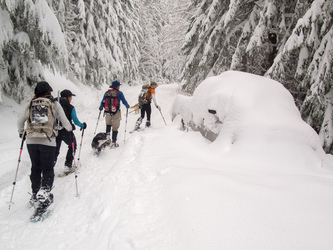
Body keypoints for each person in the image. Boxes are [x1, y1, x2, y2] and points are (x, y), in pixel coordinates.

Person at [17, 81, 72, 211]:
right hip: (48, 141)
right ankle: (45, 191)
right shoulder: (54, 104)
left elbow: (20, 121)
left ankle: (35, 193)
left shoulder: (30, 103)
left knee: (35, 167)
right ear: (49, 92)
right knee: (47, 168)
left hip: (31, 141)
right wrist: (69, 129)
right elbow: (65, 123)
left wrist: (21, 133)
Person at [55, 89, 87, 174]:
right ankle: (68, 166)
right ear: (68, 97)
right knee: (73, 145)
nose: (71, 98)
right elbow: (75, 121)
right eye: (71, 96)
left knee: (55, 150)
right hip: (66, 131)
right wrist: (82, 125)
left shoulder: (54, 105)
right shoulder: (70, 107)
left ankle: (49, 168)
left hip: (55, 131)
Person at [99, 80, 130, 147]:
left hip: (107, 111)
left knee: (108, 124)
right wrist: (127, 106)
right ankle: (113, 142)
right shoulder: (120, 93)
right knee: (115, 127)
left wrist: (101, 107)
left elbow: (103, 101)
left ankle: (107, 139)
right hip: (115, 112)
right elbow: (124, 101)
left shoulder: (107, 92)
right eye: (119, 86)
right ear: (117, 86)